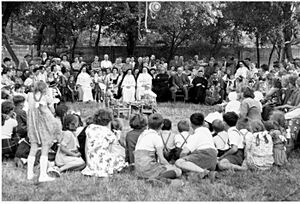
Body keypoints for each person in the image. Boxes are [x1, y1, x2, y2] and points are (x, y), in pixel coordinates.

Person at [26, 81, 62, 182]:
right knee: (45, 147)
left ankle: (29, 173)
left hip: (33, 125)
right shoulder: (45, 98)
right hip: (44, 124)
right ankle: (43, 175)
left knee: (33, 147)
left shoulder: (29, 96)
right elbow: (50, 111)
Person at [135, 113, 182, 180]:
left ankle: (152, 178)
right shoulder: (156, 137)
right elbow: (162, 160)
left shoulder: (142, 135)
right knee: (178, 171)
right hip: (149, 169)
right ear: (162, 125)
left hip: (138, 171)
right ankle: (157, 178)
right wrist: (172, 166)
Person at [81, 109, 127, 177]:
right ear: (109, 120)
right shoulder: (109, 133)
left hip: (91, 162)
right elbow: (112, 150)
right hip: (104, 163)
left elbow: (86, 147)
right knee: (120, 159)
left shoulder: (90, 128)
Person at [175, 113, 217, 180]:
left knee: (179, 162)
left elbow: (184, 152)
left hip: (204, 156)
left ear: (191, 124)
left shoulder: (195, 135)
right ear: (203, 122)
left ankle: (206, 173)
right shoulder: (207, 131)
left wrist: (184, 160)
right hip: (213, 160)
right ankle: (201, 172)